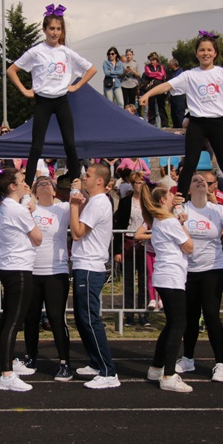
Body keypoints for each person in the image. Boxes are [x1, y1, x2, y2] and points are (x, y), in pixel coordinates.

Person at [140, 31, 223, 201]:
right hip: (197, 123)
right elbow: (167, 86)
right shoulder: (190, 75)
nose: (206, 53)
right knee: (189, 162)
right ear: (196, 53)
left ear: (215, 53)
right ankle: (180, 200)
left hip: (218, 123)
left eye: (209, 50)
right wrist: (147, 95)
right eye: (202, 50)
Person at [7, 4, 97, 186]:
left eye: (58, 29)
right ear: (44, 29)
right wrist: (24, 90)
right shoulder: (36, 51)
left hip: (61, 100)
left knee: (70, 144)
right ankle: (28, 185)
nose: (55, 32)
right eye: (51, 29)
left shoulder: (66, 52)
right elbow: (12, 70)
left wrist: (76, 86)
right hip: (42, 101)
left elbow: (91, 69)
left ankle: (75, 183)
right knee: (37, 146)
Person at [173, 173, 223, 383]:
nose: (200, 181)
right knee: (190, 317)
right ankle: (188, 358)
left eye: (204, 180)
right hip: (188, 270)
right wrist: (173, 212)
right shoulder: (182, 210)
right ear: (188, 190)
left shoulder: (218, 210)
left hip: (213, 270)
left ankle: (220, 363)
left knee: (212, 315)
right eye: (195, 180)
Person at [0, 168, 40, 392]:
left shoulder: (5, 206)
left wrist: (28, 201)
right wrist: (31, 210)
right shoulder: (16, 209)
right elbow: (37, 238)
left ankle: (9, 364)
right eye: (22, 180)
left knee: (9, 320)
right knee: (14, 322)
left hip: (10, 267)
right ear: (12, 186)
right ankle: (6, 374)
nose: (26, 183)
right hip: (19, 269)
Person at [139, 180, 194, 393]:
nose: (174, 198)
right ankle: (169, 374)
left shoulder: (158, 220)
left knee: (172, 324)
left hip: (166, 274)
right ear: (163, 200)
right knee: (179, 324)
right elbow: (189, 247)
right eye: (170, 196)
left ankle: (156, 367)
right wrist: (183, 223)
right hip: (171, 275)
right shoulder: (169, 221)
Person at [69, 163, 119, 389]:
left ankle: (108, 372)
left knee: (89, 318)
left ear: (99, 180)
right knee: (82, 318)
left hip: (90, 265)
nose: (84, 178)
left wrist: (73, 204)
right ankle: (96, 362)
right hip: (84, 264)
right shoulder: (96, 201)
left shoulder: (99, 202)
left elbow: (78, 233)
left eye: (88, 175)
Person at [19, 176, 72, 381]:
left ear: (54, 190)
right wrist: (25, 198)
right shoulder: (28, 207)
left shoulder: (63, 209)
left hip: (55, 272)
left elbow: (82, 200)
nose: (44, 184)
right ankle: (31, 357)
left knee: (56, 318)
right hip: (32, 270)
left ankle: (65, 362)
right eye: (39, 183)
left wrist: (76, 188)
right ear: (34, 190)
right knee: (30, 318)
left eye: (48, 182)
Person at [113, 172, 149, 327]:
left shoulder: (150, 202)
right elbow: (119, 225)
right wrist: (117, 251)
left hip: (146, 243)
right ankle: (129, 314)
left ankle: (143, 314)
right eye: (135, 182)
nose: (138, 185)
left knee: (144, 280)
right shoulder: (125, 202)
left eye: (140, 182)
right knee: (128, 281)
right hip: (128, 241)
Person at [142, 52, 168, 126]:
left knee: (161, 106)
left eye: (154, 60)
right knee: (151, 106)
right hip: (151, 87)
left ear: (156, 60)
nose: (152, 62)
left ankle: (165, 123)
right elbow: (149, 74)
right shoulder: (147, 67)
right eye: (151, 60)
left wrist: (156, 75)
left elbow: (163, 76)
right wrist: (158, 74)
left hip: (160, 87)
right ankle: (151, 123)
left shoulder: (161, 67)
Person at [166, 58, 187, 127]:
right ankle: (175, 126)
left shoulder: (181, 72)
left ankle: (180, 126)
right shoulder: (170, 72)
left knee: (179, 112)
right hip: (173, 94)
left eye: (170, 64)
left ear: (174, 64)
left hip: (180, 94)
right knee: (173, 112)